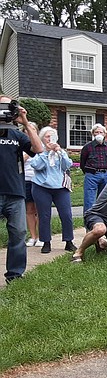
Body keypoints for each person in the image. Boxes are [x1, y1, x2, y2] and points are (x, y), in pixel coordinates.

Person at [0, 96, 42, 284]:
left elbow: (38, 149)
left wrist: (25, 121)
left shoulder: (17, 134)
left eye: (9, 106)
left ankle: (15, 275)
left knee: (18, 234)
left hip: (15, 193)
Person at [30, 126, 76, 254]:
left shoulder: (60, 152)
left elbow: (67, 166)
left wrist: (59, 151)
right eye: (47, 136)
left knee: (66, 214)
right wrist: (45, 153)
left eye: (52, 136)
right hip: (41, 187)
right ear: (42, 139)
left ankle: (69, 241)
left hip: (60, 187)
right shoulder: (39, 152)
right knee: (44, 215)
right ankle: (46, 242)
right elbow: (36, 166)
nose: (50, 139)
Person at [79, 123, 107, 212]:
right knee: (89, 200)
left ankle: (103, 220)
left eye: (101, 132)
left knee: (105, 199)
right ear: (93, 134)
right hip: (92, 175)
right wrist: (89, 172)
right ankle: (89, 222)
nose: (99, 134)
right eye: (96, 132)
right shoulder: (87, 147)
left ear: (104, 134)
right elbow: (82, 163)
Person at [23, 122, 43, 248]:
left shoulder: (40, 147)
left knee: (40, 210)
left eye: (32, 130)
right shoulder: (21, 145)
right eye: (26, 130)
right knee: (29, 210)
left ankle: (42, 236)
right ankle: (33, 237)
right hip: (25, 180)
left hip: (39, 181)